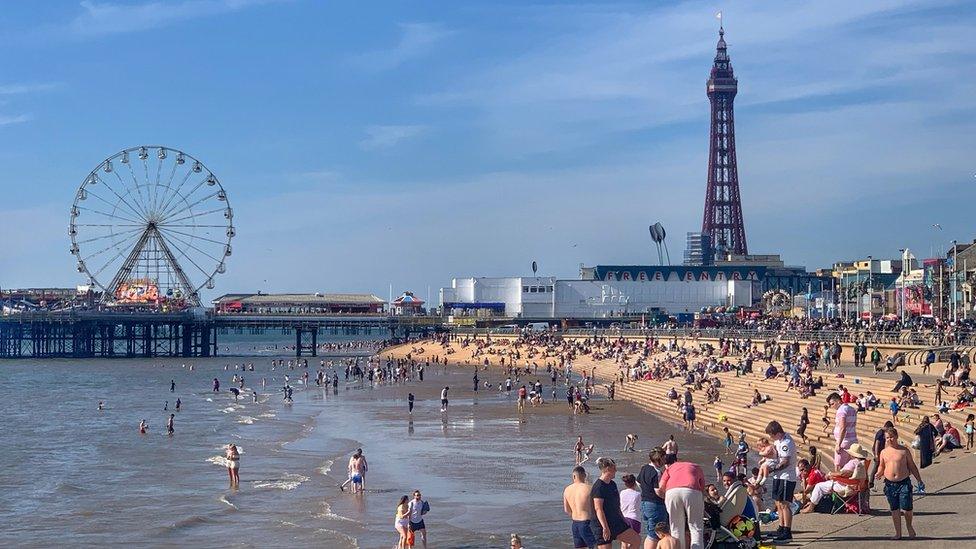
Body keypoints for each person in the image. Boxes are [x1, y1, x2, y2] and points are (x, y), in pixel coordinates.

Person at [875, 427, 922, 539]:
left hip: (903, 482)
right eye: (887, 438)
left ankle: (909, 526)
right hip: (890, 484)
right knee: (894, 509)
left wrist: (919, 480)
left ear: (896, 437)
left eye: (891, 437)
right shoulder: (884, 452)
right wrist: (879, 473)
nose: (889, 440)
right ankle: (898, 533)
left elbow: (912, 466)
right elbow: (882, 465)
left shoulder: (904, 451)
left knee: (907, 508)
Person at [799, 442, 870, 514]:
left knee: (819, 486)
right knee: (823, 484)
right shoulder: (862, 463)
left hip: (846, 486)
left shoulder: (853, 462)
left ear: (852, 454)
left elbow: (845, 473)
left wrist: (831, 475)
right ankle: (812, 503)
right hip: (857, 487)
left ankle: (811, 507)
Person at [591, 457, 641, 549]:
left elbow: (617, 506)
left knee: (636, 540)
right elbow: (598, 509)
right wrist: (605, 528)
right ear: (607, 469)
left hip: (616, 522)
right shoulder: (598, 487)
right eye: (614, 468)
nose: (616, 470)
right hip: (602, 525)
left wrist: (623, 520)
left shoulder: (612, 484)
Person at [655, 459, 705, 549]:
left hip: (672, 492)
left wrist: (665, 499)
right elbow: (702, 487)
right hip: (692, 491)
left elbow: (661, 487)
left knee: (676, 527)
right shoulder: (696, 467)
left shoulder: (671, 468)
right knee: (695, 527)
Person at [764, 420, 797, 542]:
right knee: (778, 503)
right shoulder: (778, 440)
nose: (771, 438)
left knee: (784, 504)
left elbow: (785, 462)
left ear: (777, 433)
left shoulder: (786, 443)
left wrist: (772, 469)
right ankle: (781, 527)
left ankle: (787, 531)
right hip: (779, 477)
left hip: (786, 476)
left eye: (771, 435)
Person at [637, 448, 668, 549]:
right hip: (655, 504)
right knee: (655, 533)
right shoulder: (657, 472)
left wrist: (646, 491)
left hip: (645, 503)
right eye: (663, 458)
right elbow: (658, 490)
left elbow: (638, 482)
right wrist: (666, 498)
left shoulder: (644, 467)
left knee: (651, 530)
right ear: (658, 459)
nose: (665, 460)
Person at [564, 465, 597, 549]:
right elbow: (597, 507)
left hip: (575, 524)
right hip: (587, 523)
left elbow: (566, 510)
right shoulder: (589, 488)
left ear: (574, 476)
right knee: (596, 546)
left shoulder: (567, 489)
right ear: (584, 476)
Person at [828, 392, 858, 469]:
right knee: (849, 467)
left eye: (832, 404)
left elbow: (843, 427)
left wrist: (838, 444)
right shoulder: (852, 409)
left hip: (844, 441)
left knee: (839, 467)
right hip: (853, 440)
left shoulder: (841, 410)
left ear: (838, 401)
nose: (831, 406)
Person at [619, 474, 642, 546]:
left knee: (624, 542)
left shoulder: (622, 493)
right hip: (634, 519)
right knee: (634, 542)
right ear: (634, 483)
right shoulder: (638, 494)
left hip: (623, 518)